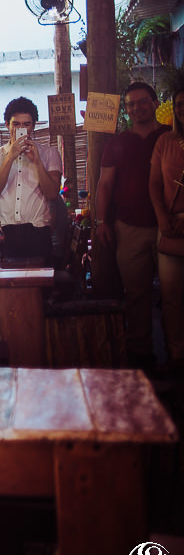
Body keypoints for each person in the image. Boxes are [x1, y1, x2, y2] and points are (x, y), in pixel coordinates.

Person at [93, 82, 169, 368]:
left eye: (142, 101)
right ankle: (141, 355)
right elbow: (104, 185)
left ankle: (177, 355)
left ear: (155, 102)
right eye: (130, 104)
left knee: (175, 294)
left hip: (171, 228)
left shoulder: (171, 137)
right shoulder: (117, 143)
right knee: (136, 295)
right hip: (129, 228)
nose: (137, 108)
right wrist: (102, 221)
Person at [0, 97, 63, 260]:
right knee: (4, 274)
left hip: (38, 231)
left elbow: (52, 194)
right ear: (7, 125)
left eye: (26, 124)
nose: (21, 129)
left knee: (40, 274)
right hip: (5, 232)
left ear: (33, 126)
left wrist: (37, 161)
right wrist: (10, 157)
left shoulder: (49, 153)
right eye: (16, 124)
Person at [150, 83, 184, 371]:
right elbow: (154, 184)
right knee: (171, 297)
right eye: (179, 105)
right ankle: (176, 355)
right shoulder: (165, 141)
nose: (183, 109)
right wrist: (161, 217)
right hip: (171, 224)